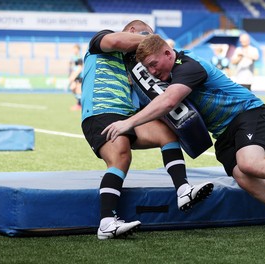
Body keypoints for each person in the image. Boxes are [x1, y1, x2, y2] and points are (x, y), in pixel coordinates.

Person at [102, 34, 265, 238]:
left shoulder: (188, 65)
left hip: (246, 112)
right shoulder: (166, 73)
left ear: (167, 53)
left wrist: (129, 123)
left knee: (250, 163)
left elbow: (169, 101)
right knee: (243, 177)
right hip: (223, 131)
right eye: (148, 68)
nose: (152, 71)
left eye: (154, 64)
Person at [81, 21, 213, 240]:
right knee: (121, 153)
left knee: (167, 132)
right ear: (132, 31)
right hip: (99, 112)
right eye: (143, 36)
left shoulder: (134, 63)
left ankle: (183, 190)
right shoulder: (101, 40)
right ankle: (106, 223)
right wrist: (154, 42)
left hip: (126, 115)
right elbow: (115, 41)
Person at [68, 44, 83, 111]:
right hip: (74, 75)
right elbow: (71, 66)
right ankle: (79, 104)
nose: (74, 50)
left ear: (78, 50)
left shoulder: (79, 57)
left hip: (79, 76)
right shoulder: (73, 57)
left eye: (75, 49)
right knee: (73, 89)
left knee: (78, 91)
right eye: (73, 49)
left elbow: (80, 68)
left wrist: (73, 76)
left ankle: (79, 105)